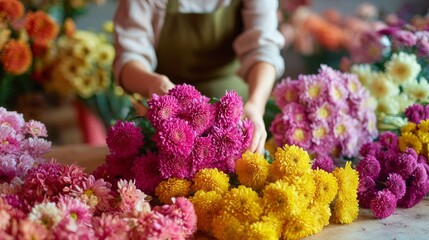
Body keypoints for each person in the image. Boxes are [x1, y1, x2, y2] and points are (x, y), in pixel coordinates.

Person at [113, 0, 285, 154]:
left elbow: (263, 51)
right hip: (170, 119)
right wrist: (154, 83)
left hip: (235, 115)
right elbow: (129, 58)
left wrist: (255, 105)